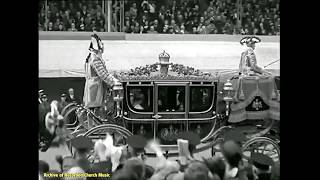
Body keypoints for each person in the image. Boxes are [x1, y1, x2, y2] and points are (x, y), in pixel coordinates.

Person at [83, 33, 120, 116]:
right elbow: (103, 75)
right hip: (95, 88)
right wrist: (114, 82)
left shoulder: (91, 57)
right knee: (96, 112)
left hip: (92, 87)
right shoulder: (95, 59)